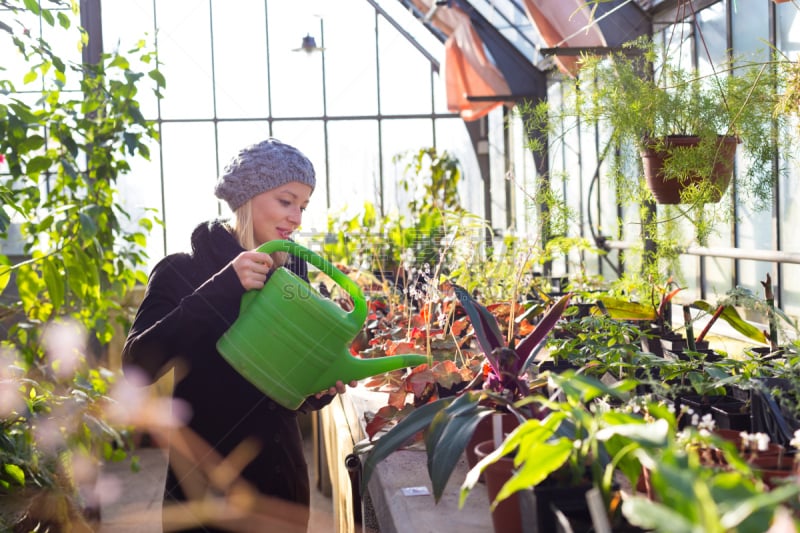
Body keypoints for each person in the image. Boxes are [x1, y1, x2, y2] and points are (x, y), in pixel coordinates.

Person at [122, 138, 352, 532]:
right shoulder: (181, 271)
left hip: (283, 490)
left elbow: (283, 389)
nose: (296, 217)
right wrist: (224, 286)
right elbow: (138, 367)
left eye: (303, 205)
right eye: (286, 201)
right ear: (247, 196)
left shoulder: (291, 274)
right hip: (205, 496)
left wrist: (317, 389)